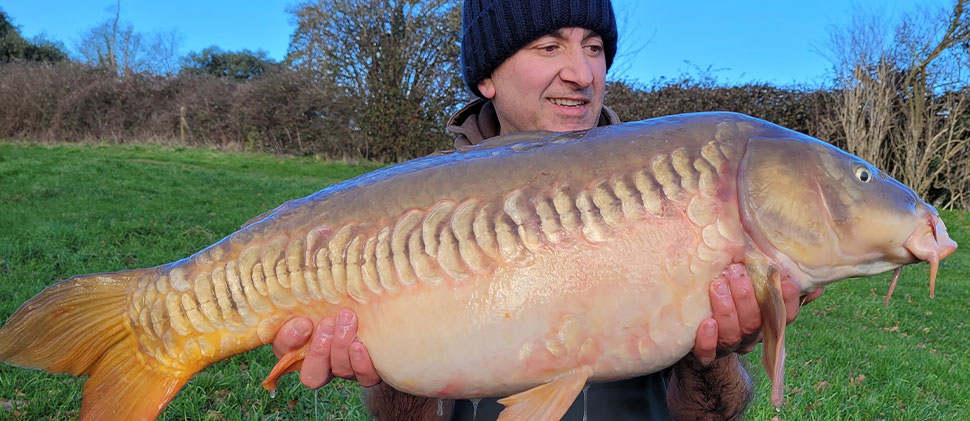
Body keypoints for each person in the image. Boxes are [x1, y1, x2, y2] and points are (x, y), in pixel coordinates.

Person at [272, 0, 823, 419]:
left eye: (594, 47)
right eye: (549, 46)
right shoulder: (405, 209)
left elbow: (713, 413)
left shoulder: (680, 189)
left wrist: (716, 355)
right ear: (487, 75)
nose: (582, 74)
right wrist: (384, 376)